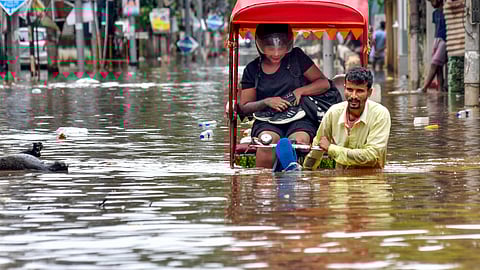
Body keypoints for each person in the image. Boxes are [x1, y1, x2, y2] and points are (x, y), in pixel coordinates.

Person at [239, 24, 333, 168]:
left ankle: (293, 171)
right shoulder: (252, 69)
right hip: (267, 120)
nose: (276, 54)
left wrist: (300, 91)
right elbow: (245, 107)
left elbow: (324, 83)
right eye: (270, 48)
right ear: (260, 46)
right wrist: (267, 102)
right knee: (267, 143)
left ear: (288, 44)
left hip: (300, 116)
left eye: (281, 48)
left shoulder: (297, 58)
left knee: (299, 141)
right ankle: (264, 186)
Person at [303, 67, 391, 170]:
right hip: (340, 181)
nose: (353, 96)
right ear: (344, 88)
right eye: (350, 90)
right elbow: (317, 150)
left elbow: (371, 156)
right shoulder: (333, 112)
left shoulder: (380, 114)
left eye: (359, 91)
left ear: (369, 92)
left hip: (371, 180)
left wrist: (331, 148)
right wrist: (306, 173)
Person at [418, 0, 447, 92]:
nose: (431, 4)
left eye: (432, 1)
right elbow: (436, 28)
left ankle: (425, 87)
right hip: (437, 39)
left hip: (445, 40)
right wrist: (435, 42)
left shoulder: (446, 11)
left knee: (435, 63)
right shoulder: (435, 13)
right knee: (439, 67)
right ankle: (440, 89)